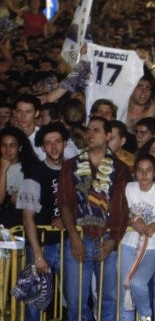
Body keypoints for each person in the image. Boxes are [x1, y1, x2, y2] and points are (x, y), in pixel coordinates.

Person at [57, 116, 131, 321]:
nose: (90, 134)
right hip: (78, 238)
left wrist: (113, 241)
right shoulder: (71, 165)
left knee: (108, 300)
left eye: (96, 130)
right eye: (88, 130)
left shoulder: (121, 169)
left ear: (108, 136)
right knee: (76, 303)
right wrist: (73, 236)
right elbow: (64, 204)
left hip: (106, 240)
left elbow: (121, 209)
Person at [17, 122, 68, 321]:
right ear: (42, 147)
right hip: (43, 244)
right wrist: (38, 254)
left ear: (65, 143)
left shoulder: (74, 170)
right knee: (34, 303)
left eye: (57, 141)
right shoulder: (35, 173)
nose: (54, 147)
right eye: (48, 143)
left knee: (75, 298)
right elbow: (27, 217)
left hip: (68, 244)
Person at [119, 154, 155, 321]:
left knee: (138, 283)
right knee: (125, 289)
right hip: (128, 244)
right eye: (140, 170)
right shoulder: (130, 188)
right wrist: (134, 221)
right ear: (135, 172)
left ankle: (145, 316)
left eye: (149, 170)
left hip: (153, 246)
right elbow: (120, 215)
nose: (144, 174)